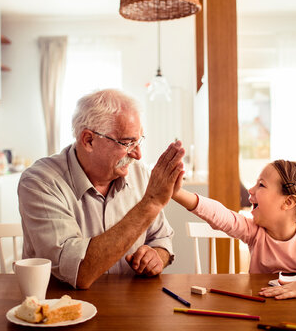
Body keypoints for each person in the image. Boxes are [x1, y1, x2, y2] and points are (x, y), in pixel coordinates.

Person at [18, 89, 184, 289]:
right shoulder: (41, 181)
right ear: (88, 140)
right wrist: (151, 204)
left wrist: (157, 255)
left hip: (129, 305)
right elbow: (79, 272)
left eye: (139, 141)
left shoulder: (140, 174)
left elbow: (162, 238)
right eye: (127, 142)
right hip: (60, 308)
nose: (138, 155)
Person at [172, 159, 296, 299]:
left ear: (288, 202)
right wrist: (178, 194)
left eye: (261, 185)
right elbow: (221, 215)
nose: (250, 190)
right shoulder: (254, 233)